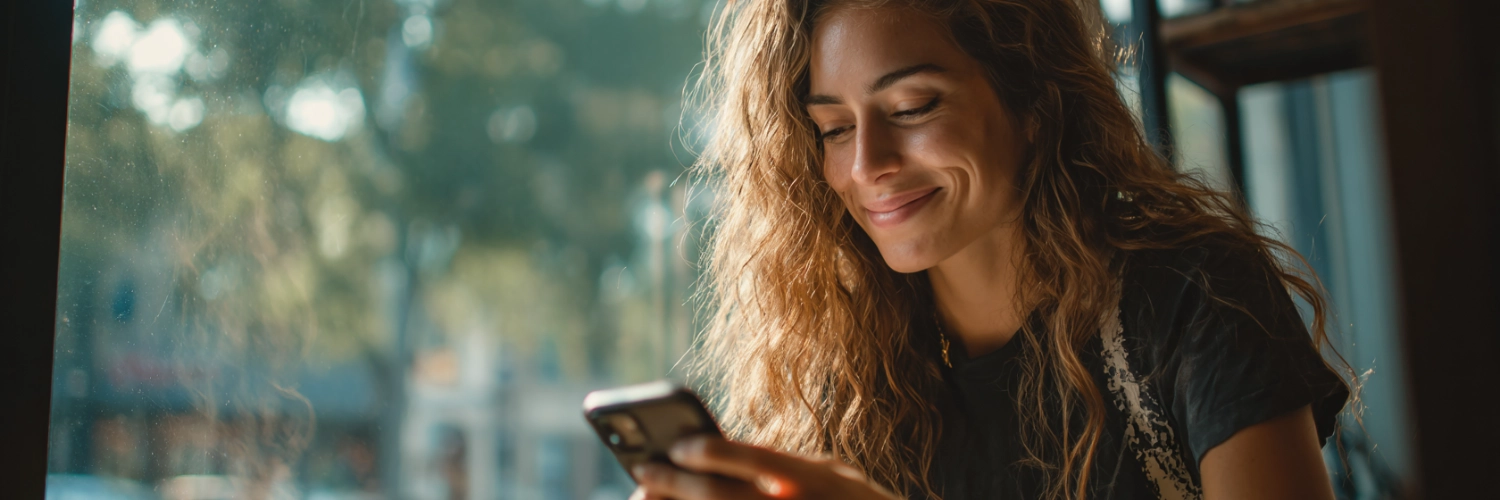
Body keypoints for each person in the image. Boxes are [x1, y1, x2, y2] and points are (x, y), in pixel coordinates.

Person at [632, 0, 1351, 498]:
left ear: (1034, 101)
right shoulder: (844, 386)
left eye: (913, 108)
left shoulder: (1193, 299)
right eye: (834, 129)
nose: (867, 165)